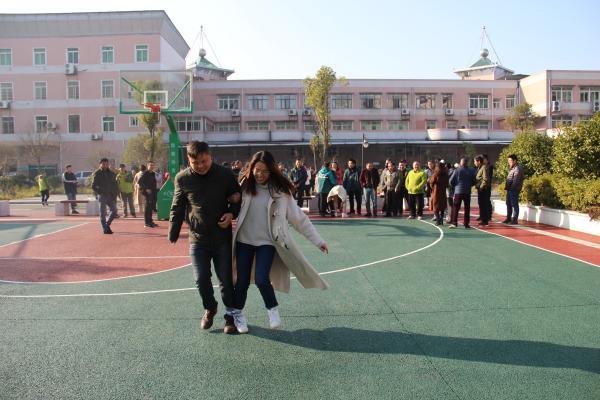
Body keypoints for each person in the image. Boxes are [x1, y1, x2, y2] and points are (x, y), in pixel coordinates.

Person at [232, 150, 329, 333]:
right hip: (244, 241)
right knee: (241, 281)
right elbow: (230, 206)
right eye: (257, 170)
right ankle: (238, 315)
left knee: (262, 279)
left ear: (272, 171)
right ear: (251, 169)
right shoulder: (243, 187)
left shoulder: (281, 193)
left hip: (267, 242)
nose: (260, 174)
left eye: (265, 171)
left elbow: (299, 219)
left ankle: (272, 309)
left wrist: (318, 241)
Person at [169, 141, 241, 334]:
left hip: (221, 238)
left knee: (226, 280)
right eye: (196, 163)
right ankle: (210, 307)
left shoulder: (225, 174)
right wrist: (173, 231)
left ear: (211, 157)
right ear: (189, 160)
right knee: (201, 279)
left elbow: (237, 198)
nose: (200, 166)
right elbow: (177, 206)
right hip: (197, 239)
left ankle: (230, 318)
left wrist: (231, 213)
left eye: (204, 161)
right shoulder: (182, 178)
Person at [91, 158, 119, 234]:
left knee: (114, 210)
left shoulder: (111, 173)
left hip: (110, 195)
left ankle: (107, 224)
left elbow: (115, 184)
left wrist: (115, 193)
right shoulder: (97, 173)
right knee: (102, 213)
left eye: (106, 164)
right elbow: (93, 186)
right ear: (100, 164)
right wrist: (100, 192)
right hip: (102, 195)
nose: (105, 165)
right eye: (103, 164)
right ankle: (105, 229)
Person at [449, 157, 476, 229]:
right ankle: (466, 224)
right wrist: (469, 185)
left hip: (458, 191)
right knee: (467, 208)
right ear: (467, 163)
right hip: (467, 191)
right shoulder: (471, 171)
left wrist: (455, 186)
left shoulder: (457, 170)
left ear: (461, 163)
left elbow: (451, 181)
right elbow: (474, 181)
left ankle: (454, 223)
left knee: (456, 207)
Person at [504, 154, 524, 225]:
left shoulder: (517, 169)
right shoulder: (513, 168)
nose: (509, 162)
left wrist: (511, 188)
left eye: (510, 161)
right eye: (508, 161)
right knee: (508, 203)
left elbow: (515, 181)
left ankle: (515, 219)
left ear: (515, 161)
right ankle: (508, 218)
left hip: (514, 189)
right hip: (510, 189)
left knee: (514, 204)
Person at [138, 161, 158, 228]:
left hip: (153, 192)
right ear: (148, 166)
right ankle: (147, 223)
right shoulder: (145, 173)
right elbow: (140, 182)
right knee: (147, 207)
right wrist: (146, 189)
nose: (152, 167)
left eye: (153, 165)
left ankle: (150, 221)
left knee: (151, 207)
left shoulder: (153, 173)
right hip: (147, 193)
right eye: (150, 165)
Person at [429, 161, 449, 226]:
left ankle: (438, 220)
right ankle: (441, 219)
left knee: (435, 207)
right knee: (442, 206)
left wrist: (432, 187)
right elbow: (447, 184)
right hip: (443, 192)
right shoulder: (446, 174)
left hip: (436, 192)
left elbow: (431, 182)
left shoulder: (435, 174)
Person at [474, 155, 490, 226]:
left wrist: (481, 187)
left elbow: (485, 179)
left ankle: (485, 221)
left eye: (475, 161)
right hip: (480, 189)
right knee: (481, 204)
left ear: (479, 162)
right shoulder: (479, 168)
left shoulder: (483, 168)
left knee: (483, 205)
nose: (474, 163)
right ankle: (483, 219)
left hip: (483, 189)